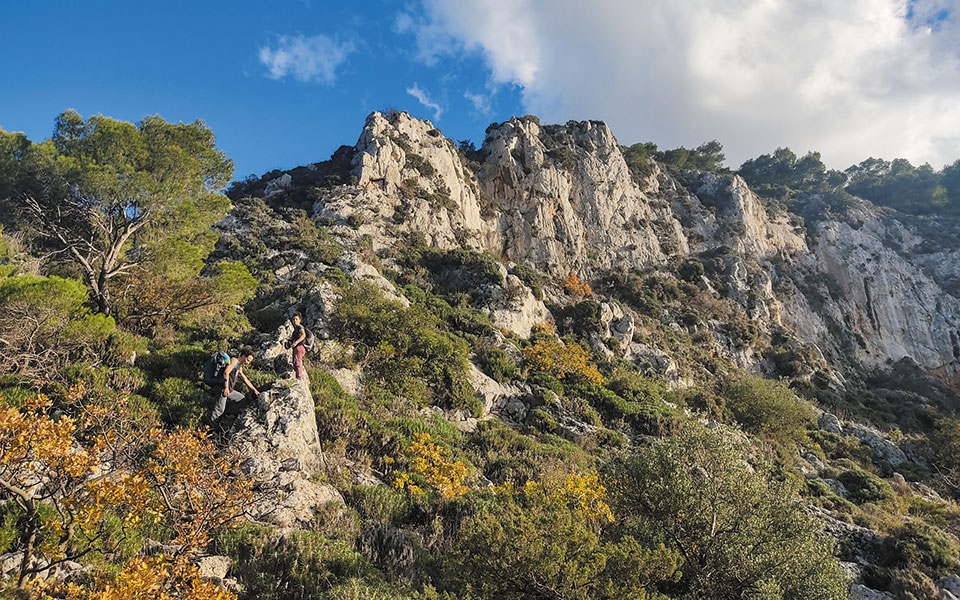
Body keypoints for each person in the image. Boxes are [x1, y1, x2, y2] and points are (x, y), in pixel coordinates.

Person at [207, 346, 260, 434]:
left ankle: (228, 416)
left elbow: (245, 379)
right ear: (243, 356)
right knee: (218, 411)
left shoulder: (239, 367)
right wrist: (226, 388)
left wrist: (255, 390)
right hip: (223, 389)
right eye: (247, 360)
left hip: (230, 391)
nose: (248, 363)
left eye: (249, 361)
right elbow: (226, 372)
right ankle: (210, 432)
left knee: (241, 398)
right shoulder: (234, 361)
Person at [289, 312, 307, 380]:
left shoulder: (300, 326)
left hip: (299, 347)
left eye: (296, 319)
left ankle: (299, 377)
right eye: (293, 319)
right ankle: (296, 376)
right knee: (295, 361)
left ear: (300, 320)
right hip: (297, 347)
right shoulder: (296, 328)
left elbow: (303, 335)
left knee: (298, 361)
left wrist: (296, 342)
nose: (294, 321)